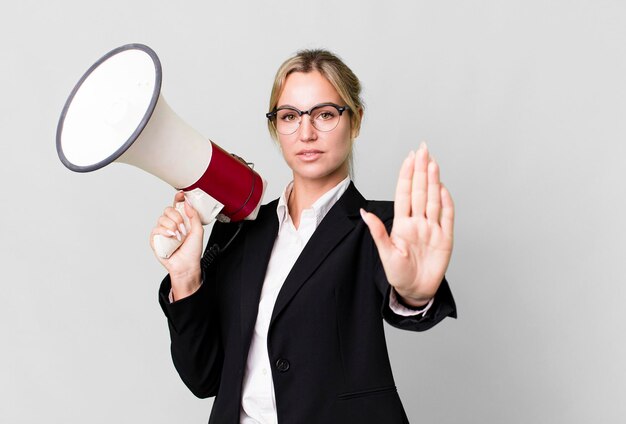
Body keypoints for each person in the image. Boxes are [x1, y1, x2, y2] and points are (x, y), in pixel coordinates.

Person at [151, 49, 457, 424]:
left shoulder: (383, 226)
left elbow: (408, 291)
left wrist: (414, 294)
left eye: (325, 114)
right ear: (275, 128)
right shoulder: (239, 230)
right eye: (290, 116)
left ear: (355, 120)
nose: (306, 132)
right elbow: (203, 377)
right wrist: (187, 279)